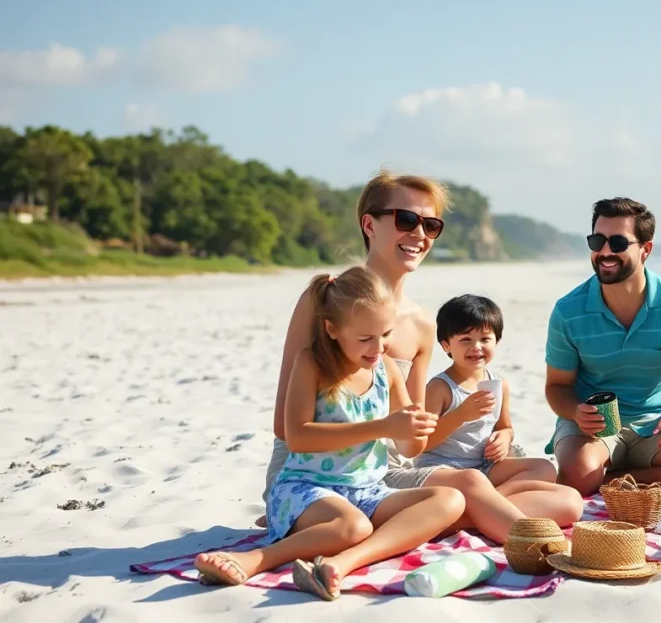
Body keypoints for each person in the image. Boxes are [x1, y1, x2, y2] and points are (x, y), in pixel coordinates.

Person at [260, 169, 578, 539]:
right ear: (369, 225)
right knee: (474, 485)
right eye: (406, 219)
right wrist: (384, 430)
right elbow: (285, 429)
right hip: (310, 474)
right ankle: (526, 538)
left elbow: (414, 442)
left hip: (386, 471)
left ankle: (472, 510)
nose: (419, 234)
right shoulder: (327, 302)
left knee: (567, 501)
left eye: (431, 225)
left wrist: (494, 430)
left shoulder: (422, 325)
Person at [195, 268, 465, 600]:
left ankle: (342, 563)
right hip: (306, 490)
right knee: (354, 527)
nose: (378, 347)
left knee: (450, 499)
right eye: (365, 338)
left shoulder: (388, 370)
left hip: (366, 492)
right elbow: (298, 436)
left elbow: (409, 449)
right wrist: (382, 427)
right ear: (332, 329)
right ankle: (255, 559)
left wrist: (415, 429)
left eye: (386, 334)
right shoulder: (312, 365)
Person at [544, 197, 661, 495]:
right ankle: (596, 475)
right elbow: (556, 387)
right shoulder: (568, 310)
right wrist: (576, 412)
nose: (605, 251)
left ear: (645, 249)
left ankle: (613, 477)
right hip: (592, 427)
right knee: (580, 477)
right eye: (597, 240)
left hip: (658, 423)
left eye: (619, 242)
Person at [413, 294, 583, 542]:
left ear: (497, 340)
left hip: (484, 469)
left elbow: (506, 427)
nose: (476, 347)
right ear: (446, 345)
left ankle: (485, 507)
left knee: (552, 477)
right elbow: (422, 445)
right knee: (478, 483)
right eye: (465, 340)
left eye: (485, 339)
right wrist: (461, 414)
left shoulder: (498, 383)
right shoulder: (440, 387)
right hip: (445, 471)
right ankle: (487, 507)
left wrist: (504, 438)